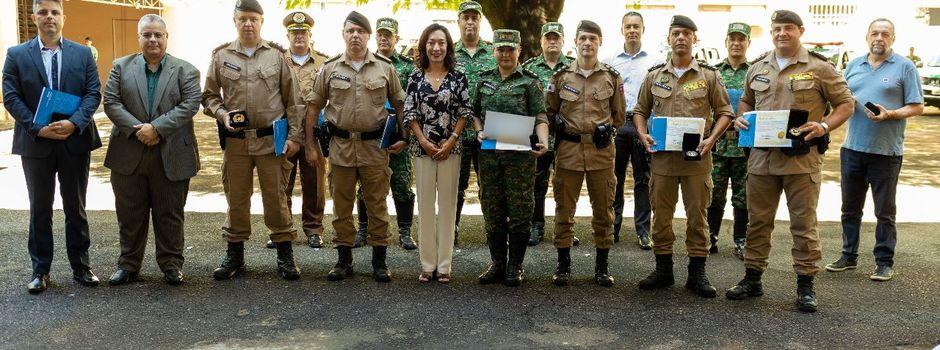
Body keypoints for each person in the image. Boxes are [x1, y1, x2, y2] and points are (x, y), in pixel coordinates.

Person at [727, 10, 856, 313]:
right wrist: (741, 118)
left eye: (788, 28)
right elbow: (746, 100)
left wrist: (824, 126)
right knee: (757, 221)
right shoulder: (757, 67)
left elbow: (846, 103)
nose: (782, 33)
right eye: (776, 29)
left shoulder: (819, 68)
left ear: (800, 30)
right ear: (771, 33)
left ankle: (806, 285)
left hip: (801, 161)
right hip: (761, 159)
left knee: (803, 224)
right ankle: (752, 278)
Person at [2, 0, 103, 294]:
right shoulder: (16, 55)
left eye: (55, 12)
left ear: (64, 18)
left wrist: (74, 123)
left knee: (76, 206)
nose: (49, 17)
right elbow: (11, 97)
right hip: (36, 143)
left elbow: (92, 93)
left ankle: (81, 266)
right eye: (43, 12)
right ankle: (40, 270)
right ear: (34, 17)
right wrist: (37, 127)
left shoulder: (83, 54)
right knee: (40, 208)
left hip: (74, 141)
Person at [202, 0, 304, 281]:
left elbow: (293, 100)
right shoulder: (221, 56)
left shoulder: (276, 56)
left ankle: (285, 255)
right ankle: (235, 256)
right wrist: (222, 114)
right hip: (236, 143)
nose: (248, 23)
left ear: (261, 22)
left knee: (276, 198)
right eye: (243, 19)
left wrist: (295, 137)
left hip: (271, 142)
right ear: (234, 21)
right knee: (236, 198)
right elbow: (209, 97)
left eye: (253, 19)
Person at [633, 15, 734, 298]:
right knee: (661, 216)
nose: (681, 38)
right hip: (663, 159)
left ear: (694, 39)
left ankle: (697, 274)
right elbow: (640, 111)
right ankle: (663, 270)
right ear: (668, 38)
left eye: (686, 34)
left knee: (697, 217)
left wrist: (712, 139)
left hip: (696, 159)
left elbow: (726, 112)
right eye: (676, 33)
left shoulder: (708, 76)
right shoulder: (655, 76)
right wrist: (642, 134)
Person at [304, 11, 407, 283]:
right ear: (343, 34)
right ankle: (343, 260)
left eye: (360, 32)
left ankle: (380, 261)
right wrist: (311, 145)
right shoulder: (330, 68)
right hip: (340, 148)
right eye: (350, 31)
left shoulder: (385, 68)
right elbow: (313, 107)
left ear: (368, 36)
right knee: (341, 206)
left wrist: (404, 136)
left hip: (375, 149)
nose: (355, 36)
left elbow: (400, 104)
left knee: (377, 205)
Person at [103, 14, 201, 286]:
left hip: (170, 153)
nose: (153, 39)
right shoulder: (120, 67)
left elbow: (190, 105)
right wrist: (138, 129)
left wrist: (156, 128)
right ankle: (128, 265)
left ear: (166, 37)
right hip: (128, 152)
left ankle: (171, 264)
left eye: (158, 34)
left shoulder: (186, 70)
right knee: (129, 213)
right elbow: (111, 102)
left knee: (169, 213)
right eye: (147, 35)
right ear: (139, 38)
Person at [825, 18, 924, 282]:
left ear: (893, 38)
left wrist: (890, 113)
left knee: (884, 211)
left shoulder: (905, 67)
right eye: (875, 33)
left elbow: (917, 106)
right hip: (852, 149)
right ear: (867, 36)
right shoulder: (853, 66)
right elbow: (839, 102)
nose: (879, 37)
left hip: (886, 152)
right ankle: (848, 256)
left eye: (885, 34)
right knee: (850, 209)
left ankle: (883, 261)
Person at [545, 20, 626, 287]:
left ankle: (602, 267)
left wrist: (604, 131)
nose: (588, 43)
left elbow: (619, 116)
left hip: (601, 153)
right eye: (583, 39)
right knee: (564, 210)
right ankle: (563, 265)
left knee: (603, 211)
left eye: (593, 38)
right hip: (568, 152)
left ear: (600, 42)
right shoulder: (561, 78)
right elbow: (550, 111)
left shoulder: (612, 78)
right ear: (576, 42)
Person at [474, 29, 549, 287]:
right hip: (491, 159)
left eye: (510, 49)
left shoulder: (530, 82)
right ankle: (497, 263)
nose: (505, 54)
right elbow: (474, 113)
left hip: (520, 161)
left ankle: (515, 265)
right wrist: (478, 130)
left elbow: (540, 116)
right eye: (501, 49)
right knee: (492, 209)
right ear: (494, 51)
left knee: (519, 211)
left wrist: (544, 140)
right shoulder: (483, 81)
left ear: (519, 51)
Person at [402, 23, 470, 283]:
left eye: (441, 42)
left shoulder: (458, 76)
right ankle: (427, 264)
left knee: (448, 206)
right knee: (426, 206)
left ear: (448, 46)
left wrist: (451, 140)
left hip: (451, 150)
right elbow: (409, 112)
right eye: (431, 42)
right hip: (423, 151)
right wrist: (423, 141)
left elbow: (465, 111)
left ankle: (444, 266)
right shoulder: (415, 77)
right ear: (424, 46)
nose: (436, 47)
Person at [264, 10, 330, 250]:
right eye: (294, 33)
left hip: (315, 130)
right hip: (286, 130)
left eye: (303, 32)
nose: (299, 36)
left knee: (315, 182)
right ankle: (282, 229)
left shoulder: (324, 62)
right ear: (288, 35)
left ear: (310, 35)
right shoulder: (276, 60)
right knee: (282, 181)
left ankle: (313, 229)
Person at [354, 16, 418, 251]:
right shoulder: (365, 63)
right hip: (372, 137)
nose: (383, 38)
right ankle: (363, 228)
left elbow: (411, 105)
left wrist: (405, 137)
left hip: (397, 136)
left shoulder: (408, 67)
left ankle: (404, 231)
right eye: (380, 34)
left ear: (396, 39)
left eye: (388, 35)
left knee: (401, 184)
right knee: (367, 186)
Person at [604, 11, 660, 249]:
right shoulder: (610, 61)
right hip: (618, 124)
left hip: (643, 124)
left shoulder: (655, 61)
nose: (632, 30)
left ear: (643, 29)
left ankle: (643, 231)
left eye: (636, 26)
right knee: (613, 178)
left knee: (643, 179)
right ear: (622, 30)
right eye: (628, 26)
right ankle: (612, 228)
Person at [521, 22, 579, 247]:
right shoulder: (529, 68)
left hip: (566, 138)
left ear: (563, 41)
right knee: (537, 184)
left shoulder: (574, 68)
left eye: (557, 37)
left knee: (566, 185)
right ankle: (536, 227)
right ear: (541, 41)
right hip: (537, 137)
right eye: (548, 37)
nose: (552, 41)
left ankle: (565, 228)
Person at [453, 0, 497, 243]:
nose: (470, 21)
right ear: (459, 21)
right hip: (457, 134)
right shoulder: (448, 53)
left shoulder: (494, 53)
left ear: (480, 21)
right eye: (465, 17)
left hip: (490, 131)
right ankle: (452, 228)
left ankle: (494, 231)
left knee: (490, 186)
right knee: (455, 186)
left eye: (474, 17)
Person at [708, 22, 752, 259]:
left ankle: (741, 240)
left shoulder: (755, 72)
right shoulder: (714, 72)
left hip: (745, 146)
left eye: (741, 39)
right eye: (732, 39)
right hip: (718, 144)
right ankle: (711, 237)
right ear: (726, 42)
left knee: (743, 194)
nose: (736, 43)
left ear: (748, 43)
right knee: (714, 193)